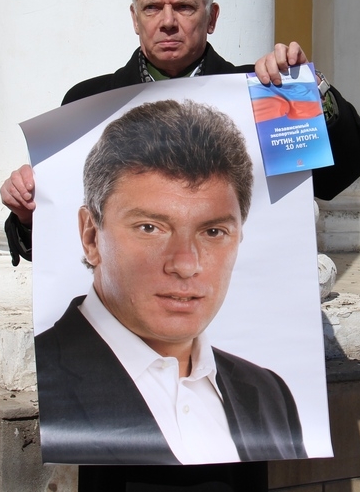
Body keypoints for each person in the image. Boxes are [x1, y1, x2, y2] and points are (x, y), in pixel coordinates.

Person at [1, 0, 360, 266]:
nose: (167, 22)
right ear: (135, 18)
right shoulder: (86, 104)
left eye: (183, 7)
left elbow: (337, 177)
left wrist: (308, 92)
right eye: (152, 7)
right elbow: (66, 245)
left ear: (211, 18)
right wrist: (26, 216)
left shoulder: (264, 93)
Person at [35, 100, 307, 465]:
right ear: (91, 236)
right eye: (150, 228)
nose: (185, 264)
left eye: (213, 231)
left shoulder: (270, 394)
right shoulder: (38, 381)